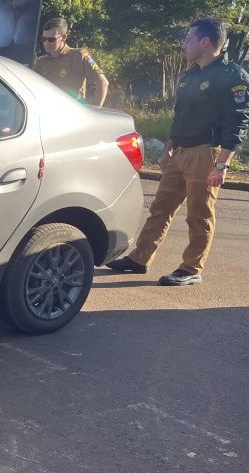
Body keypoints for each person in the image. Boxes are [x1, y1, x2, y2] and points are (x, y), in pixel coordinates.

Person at [105, 18, 249, 286]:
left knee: (199, 213)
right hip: (180, 151)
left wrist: (221, 165)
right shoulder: (190, 75)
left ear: (205, 42)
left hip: (206, 154)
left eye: (189, 39)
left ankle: (191, 268)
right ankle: (139, 259)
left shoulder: (233, 77)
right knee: (160, 209)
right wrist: (168, 149)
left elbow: (237, 122)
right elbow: (180, 117)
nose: (184, 45)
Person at [34, 18, 109, 107]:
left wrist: (95, 110)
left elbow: (103, 82)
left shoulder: (80, 56)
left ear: (64, 37)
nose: (46, 43)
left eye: (51, 39)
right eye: (43, 39)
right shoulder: (41, 62)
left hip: (73, 115)